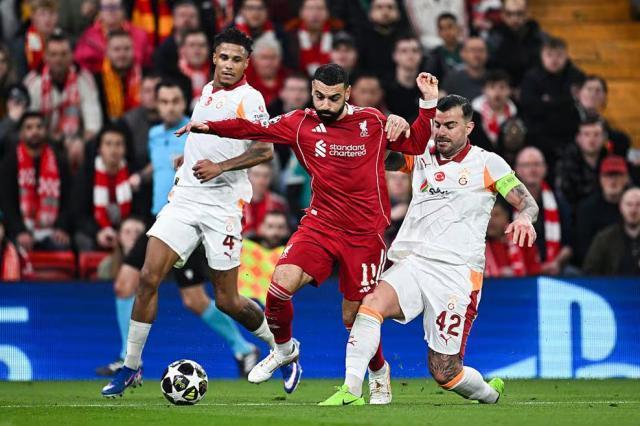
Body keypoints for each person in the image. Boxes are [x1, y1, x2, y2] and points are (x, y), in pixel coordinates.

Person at [178, 63, 439, 405]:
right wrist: (209, 126)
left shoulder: (372, 122)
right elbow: (254, 127)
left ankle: (378, 371)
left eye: (333, 98)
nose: (325, 105)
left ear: (347, 94)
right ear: (311, 92)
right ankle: (284, 350)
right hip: (321, 224)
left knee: (354, 317)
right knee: (278, 287)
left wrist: (426, 104)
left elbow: (417, 144)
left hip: (364, 234)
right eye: (319, 97)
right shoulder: (300, 123)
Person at [101, 28, 285, 398]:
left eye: (236, 59)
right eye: (224, 57)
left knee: (227, 300)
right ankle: (131, 366)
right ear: (214, 57)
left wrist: (220, 167)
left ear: (246, 64)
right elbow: (205, 141)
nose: (229, 65)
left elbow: (265, 150)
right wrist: (187, 161)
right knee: (148, 277)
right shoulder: (206, 91)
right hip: (185, 200)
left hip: (222, 207)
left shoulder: (250, 99)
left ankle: (281, 348)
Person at [320, 94, 538, 406]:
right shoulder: (422, 154)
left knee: (444, 372)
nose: (441, 132)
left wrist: (525, 218)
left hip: (457, 274)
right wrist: (389, 130)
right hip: (414, 262)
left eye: (450, 125)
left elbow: (526, 201)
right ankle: (351, 390)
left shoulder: (487, 163)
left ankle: (489, 394)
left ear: (468, 128)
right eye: (437, 125)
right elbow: (379, 157)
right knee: (370, 306)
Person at [96, 80, 263, 378]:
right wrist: (140, 177)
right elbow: (160, 167)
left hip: (194, 219)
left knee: (195, 300)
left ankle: (243, 348)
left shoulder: (200, 128)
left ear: (185, 103)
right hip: (161, 218)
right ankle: (127, 359)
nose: (169, 107)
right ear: (156, 104)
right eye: (164, 101)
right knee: (126, 283)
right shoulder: (154, 135)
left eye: (175, 101)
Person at [24, 30, 102, 168]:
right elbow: (29, 125)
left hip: (76, 142)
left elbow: (93, 125)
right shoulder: (32, 82)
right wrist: (55, 142)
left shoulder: (85, 79)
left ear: (72, 56)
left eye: (64, 54)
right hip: (43, 141)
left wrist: (80, 142)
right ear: (45, 57)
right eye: (53, 54)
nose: (58, 60)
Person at [0, 112, 72, 252]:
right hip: (19, 230)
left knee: (62, 247)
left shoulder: (59, 160)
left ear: (46, 131)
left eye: (39, 127)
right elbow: (7, 203)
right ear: (21, 133)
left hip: (51, 230)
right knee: (12, 248)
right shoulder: (9, 162)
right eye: (29, 127)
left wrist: (62, 227)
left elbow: (69, 199)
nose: (35, 131)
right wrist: (20, 230)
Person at [73, 125, 138, 251]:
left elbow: (139, 212)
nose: (113, 150)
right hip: (96, 231)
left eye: (118, 144)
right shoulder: (87, 173)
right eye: (108, 144)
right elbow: (78, 215)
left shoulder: (133, 173)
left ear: (125, 149)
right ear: (99, 149)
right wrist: (98, 232)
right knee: (81, 239)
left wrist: (124, 232)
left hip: (127, 231)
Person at [520, 37, 584, 162]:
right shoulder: (531, 77)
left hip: (570, 136)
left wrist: (548, 102)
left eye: (559, 55)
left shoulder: (577, 77)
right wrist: (565, 101)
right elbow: (530, 108)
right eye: (549, 55)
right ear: (542, 56)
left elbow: (580, 106)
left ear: (566, 56)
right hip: (539, 137)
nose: (554, 60)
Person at [515, 147, 572, 275]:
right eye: (526, 165)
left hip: (554, 269)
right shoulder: (507, 202)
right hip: (519, 269)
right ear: (517, 170)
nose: (532, 170)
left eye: (537, 164)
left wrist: (556, 263)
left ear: (545, 169)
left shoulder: (559, 202)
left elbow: (568, 244)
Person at [574, 156, 630, 266]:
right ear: (601, 179)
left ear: (626, 178)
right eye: (608, 176)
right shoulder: (587, 209)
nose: (613, 181)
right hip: (596, 268)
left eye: (617, 176)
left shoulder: (635, 205)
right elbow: (582, 248)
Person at [74, 0, 151, 73]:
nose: (111, 11)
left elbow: (147, 62)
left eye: (115, 7)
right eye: (106, 8)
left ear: (123, 11)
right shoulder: (88, 36)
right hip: (98, 79)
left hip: (135, 78)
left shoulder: (139, 34)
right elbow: (81, 62)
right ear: (99, 13)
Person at [486, 0, 545, 87]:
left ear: (527, 13)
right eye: (509, 14)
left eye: (520, 13)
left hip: (534, 88)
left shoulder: (540, 38)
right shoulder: (493, 40)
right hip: (503, 89)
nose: (514, 18)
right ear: (502, 15)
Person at [238, 210, 291, 306]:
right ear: (261, 228)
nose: (275, 232)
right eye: (270, 226)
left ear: (287, 230)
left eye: (280, 227)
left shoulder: (292, 254)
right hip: (242, 303)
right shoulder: (243, 248)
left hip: (273, 307)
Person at [555, 115, 609, 209]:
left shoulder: (611, 161)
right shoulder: (565, 164)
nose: (592, 139)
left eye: (596, 134)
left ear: (604, 138)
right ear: (578, 138)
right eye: (586, 134)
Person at [583, 188, 640, 275]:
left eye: (638, 205)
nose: (633, 210)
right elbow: (589, 271)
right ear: (621, 207)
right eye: (629, 204)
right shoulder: (605, 238)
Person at [574, 75, 630, 158]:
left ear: (604, 97)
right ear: (579, 94)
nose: (593, 94)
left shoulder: (602, 122)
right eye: (589, 89)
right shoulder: (569, 115)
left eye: (598, 91)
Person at [484, 197, 541, 277]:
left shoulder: (523, 239)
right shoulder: (478, 246)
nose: (490, 220)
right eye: (487, 215)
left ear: (506, 216)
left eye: (496, 215)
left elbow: (535, 272)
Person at [284, 0, 343, 76]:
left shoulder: (338, 34)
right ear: (301, 12)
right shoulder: (289, 35)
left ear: (327, 13)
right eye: (310, 8)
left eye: (320, 8)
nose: (315, 13)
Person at [94, 30, 142, 122]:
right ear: (107, 52)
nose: (122, 54)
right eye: (117, 49)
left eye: (127, 49)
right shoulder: (96, 80)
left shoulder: (143, 75)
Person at [355, 0, 404, 83]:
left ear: (398, 12)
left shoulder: (406, 39)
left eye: (390, 7)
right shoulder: (360, 38)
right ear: (370, 13)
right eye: (379, 7)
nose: (385, 12)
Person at [10, 0, 60, 78]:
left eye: (52, 13)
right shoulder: (20, 45)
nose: (48, 18)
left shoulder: (66, 42)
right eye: (42, 14)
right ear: (33, 16)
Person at [152, 0, 200, 78]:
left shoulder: (209, 45)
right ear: (173, 19)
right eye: (182, 15)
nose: (187, 20)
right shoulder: (163, 51)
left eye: (192, 16)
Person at [471, 70, 517, 149]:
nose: (497, 92)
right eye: (492, 87)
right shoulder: (473, 115)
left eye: (502, 87)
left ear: (509, 91)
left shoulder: (515, 114)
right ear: (484, 90)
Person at [385, 34, 424, 122]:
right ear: (395, 55)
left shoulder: (429, 86)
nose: (410, 55)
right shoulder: (384, 89)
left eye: (415, 51)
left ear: (421, 55)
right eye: (404, 51)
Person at [243, 162, 288, 237]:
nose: (261, 181)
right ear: (248, 176)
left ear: (271, 178)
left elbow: (286, 232)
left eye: (266, 176)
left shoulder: (278, 203)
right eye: (256, 175)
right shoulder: (236, 203)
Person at [245, 34, 289, 107]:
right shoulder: (244, 82)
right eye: (264, 58)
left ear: (280, 59)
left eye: (273, 57)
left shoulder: (288, 79)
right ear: (254, 60)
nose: (269, 63)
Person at [441, 37, 488, 101]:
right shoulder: (452, 79)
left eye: (481, 50)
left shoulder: (493, 79)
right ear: (463, 53)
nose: (477, 55)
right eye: (473, 50)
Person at [426, 13, 463, 81]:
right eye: (442, 28)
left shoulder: (468, 49)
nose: (447, 32)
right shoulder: (434, 55)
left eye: (450, 27)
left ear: (458, 29)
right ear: (438, 32)